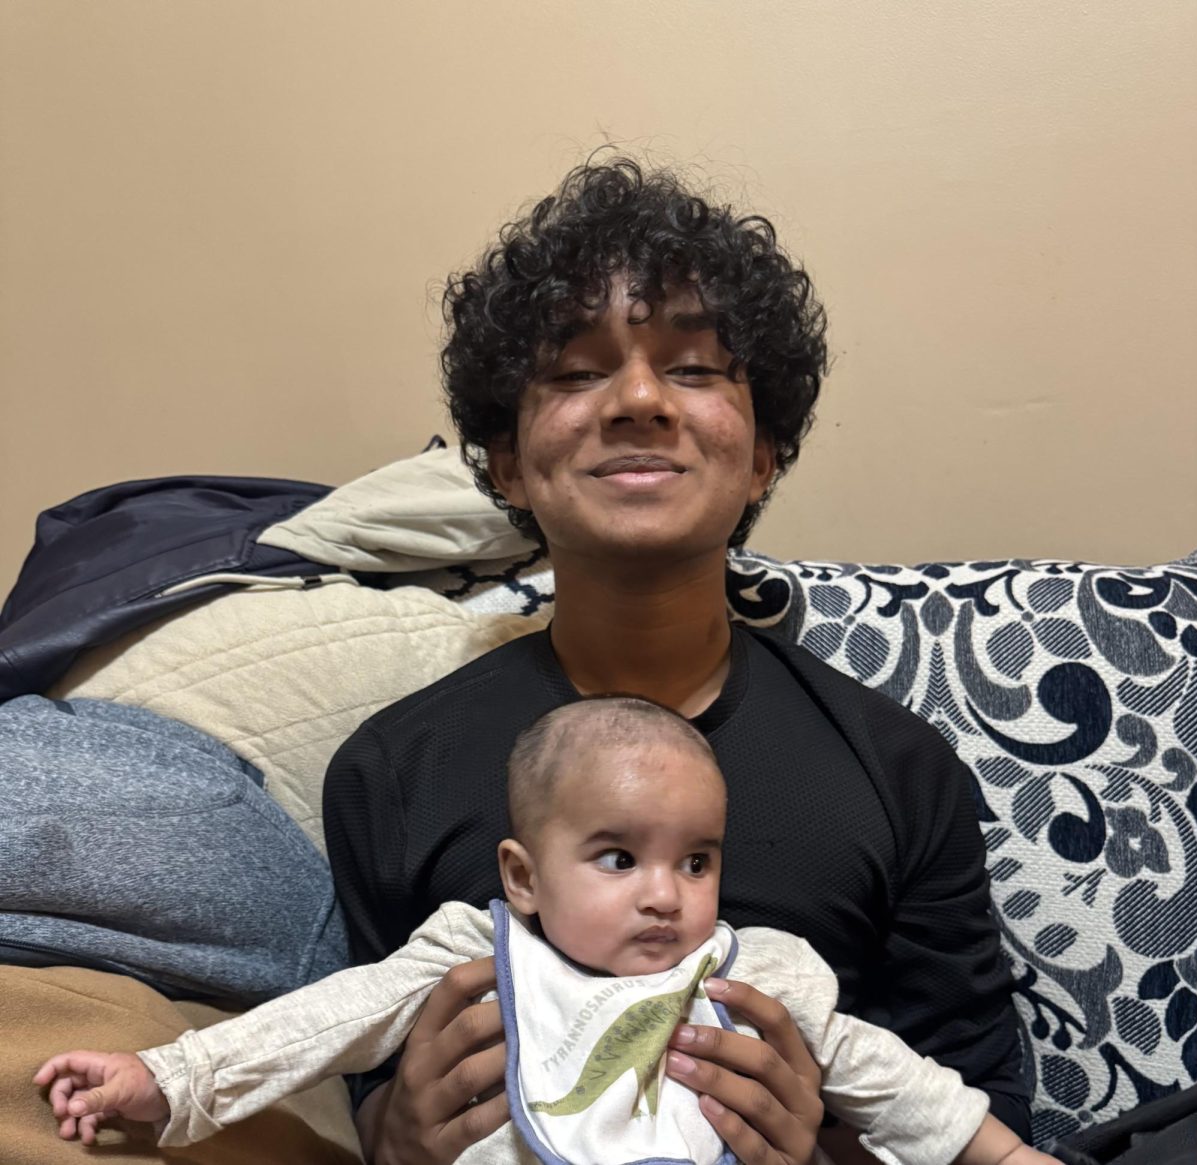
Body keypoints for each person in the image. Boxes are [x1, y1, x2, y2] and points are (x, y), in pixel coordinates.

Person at [322, 157, 1030, 1165]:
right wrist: (391, 1132)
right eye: (574, 371)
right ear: (507, 461)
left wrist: (819, 1151)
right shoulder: (390, 774)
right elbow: (360, 1076)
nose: (640, 398)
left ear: (764, 450)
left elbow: (995, 1119)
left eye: (695, 368)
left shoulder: (901, 768)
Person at [36, 697, 1055, 1165]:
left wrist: (1009, 1158)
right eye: (619, 858)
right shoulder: (469, 953)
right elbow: (316, 1025)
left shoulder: (759, 971)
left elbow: (891, 1079)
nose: (666, 894)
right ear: (521, 876)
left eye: (695, 861)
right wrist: (168, 1081)